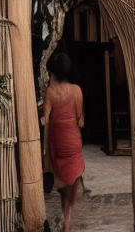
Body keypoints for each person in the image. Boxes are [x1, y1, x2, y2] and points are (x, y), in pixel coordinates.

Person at [42, 52, 85, 231]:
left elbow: (45, 117)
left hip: (58, 145)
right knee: (72, 182)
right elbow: (81, 120)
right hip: (73, 142)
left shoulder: (50, 92)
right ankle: (67, 220)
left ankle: (66, 223)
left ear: (52, 73)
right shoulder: (77, 90)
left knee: (62, 185)